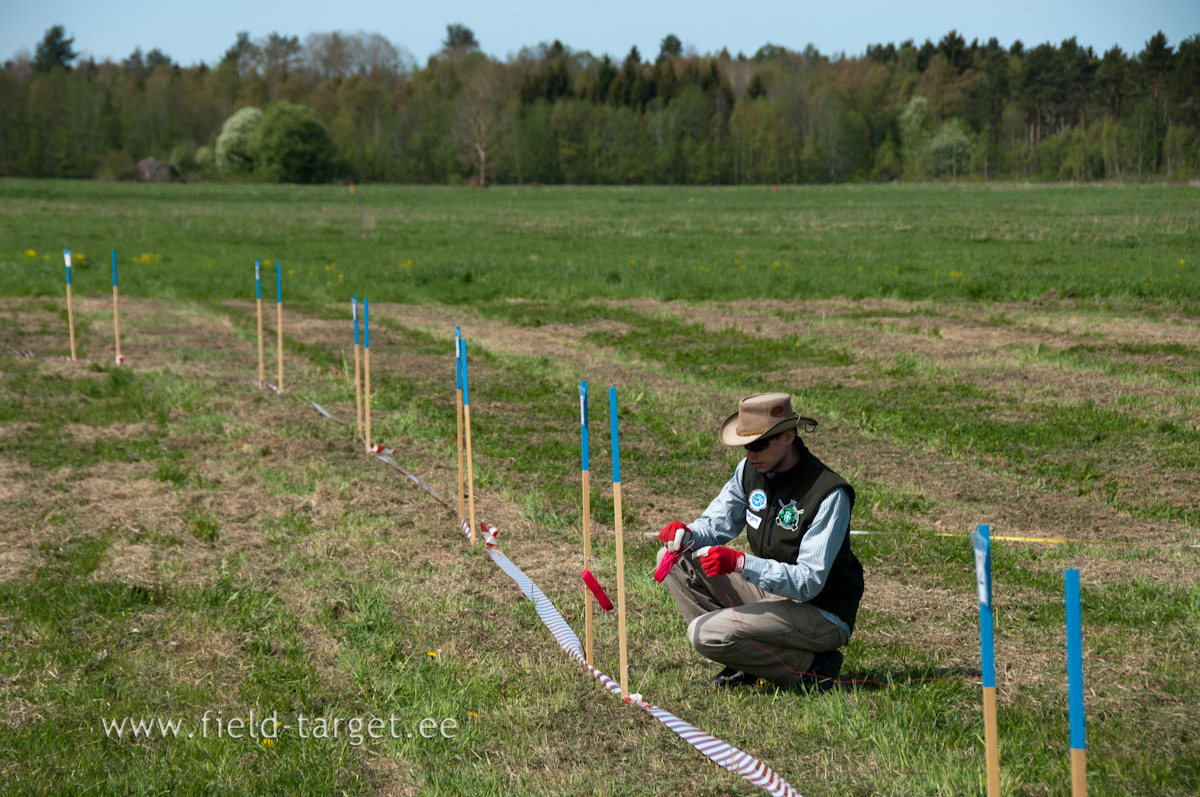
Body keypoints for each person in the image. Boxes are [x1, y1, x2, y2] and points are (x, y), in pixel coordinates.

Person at [658, 392, 863, 690]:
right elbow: (717, 523)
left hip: (820, 610)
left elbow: (808, 583)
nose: (750, 453)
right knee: (676, 556)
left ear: (788, 437)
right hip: (772, 592)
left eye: (759, 444)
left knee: (706, 634)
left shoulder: (829, 493)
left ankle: (813, 669)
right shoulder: (749, 471)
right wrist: (686, 534)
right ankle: (746, 661)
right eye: (745, 445)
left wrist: (740, 562)